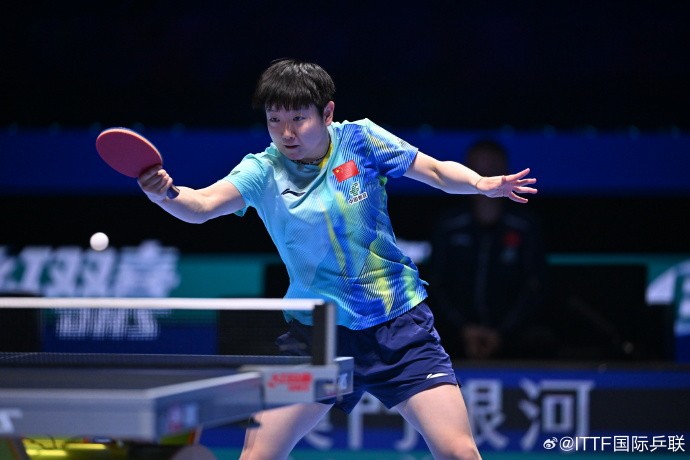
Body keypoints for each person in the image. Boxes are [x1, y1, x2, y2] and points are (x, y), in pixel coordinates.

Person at [138, 59, 537, 460]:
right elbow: (202, 205)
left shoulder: (360, 140)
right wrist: (165, 194)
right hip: (317, 337)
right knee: (257, 457)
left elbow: (434, 171)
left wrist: (479, 183)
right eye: (275, 120)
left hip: (398, 327)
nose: (287, 133)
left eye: (299, 118)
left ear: (327, 113)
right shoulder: (263, 170)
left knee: (460, 453)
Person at [428, 140, 549, 360]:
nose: (486, 178)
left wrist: (501, 332)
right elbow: (435, 284)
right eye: (477, 171)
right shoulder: (448, 225)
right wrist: (464, 329)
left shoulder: (525, 226)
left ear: (506, 172)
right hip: (455, 334)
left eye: (492, 169)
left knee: (541, 339)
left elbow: (535, 287)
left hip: (513, 336)